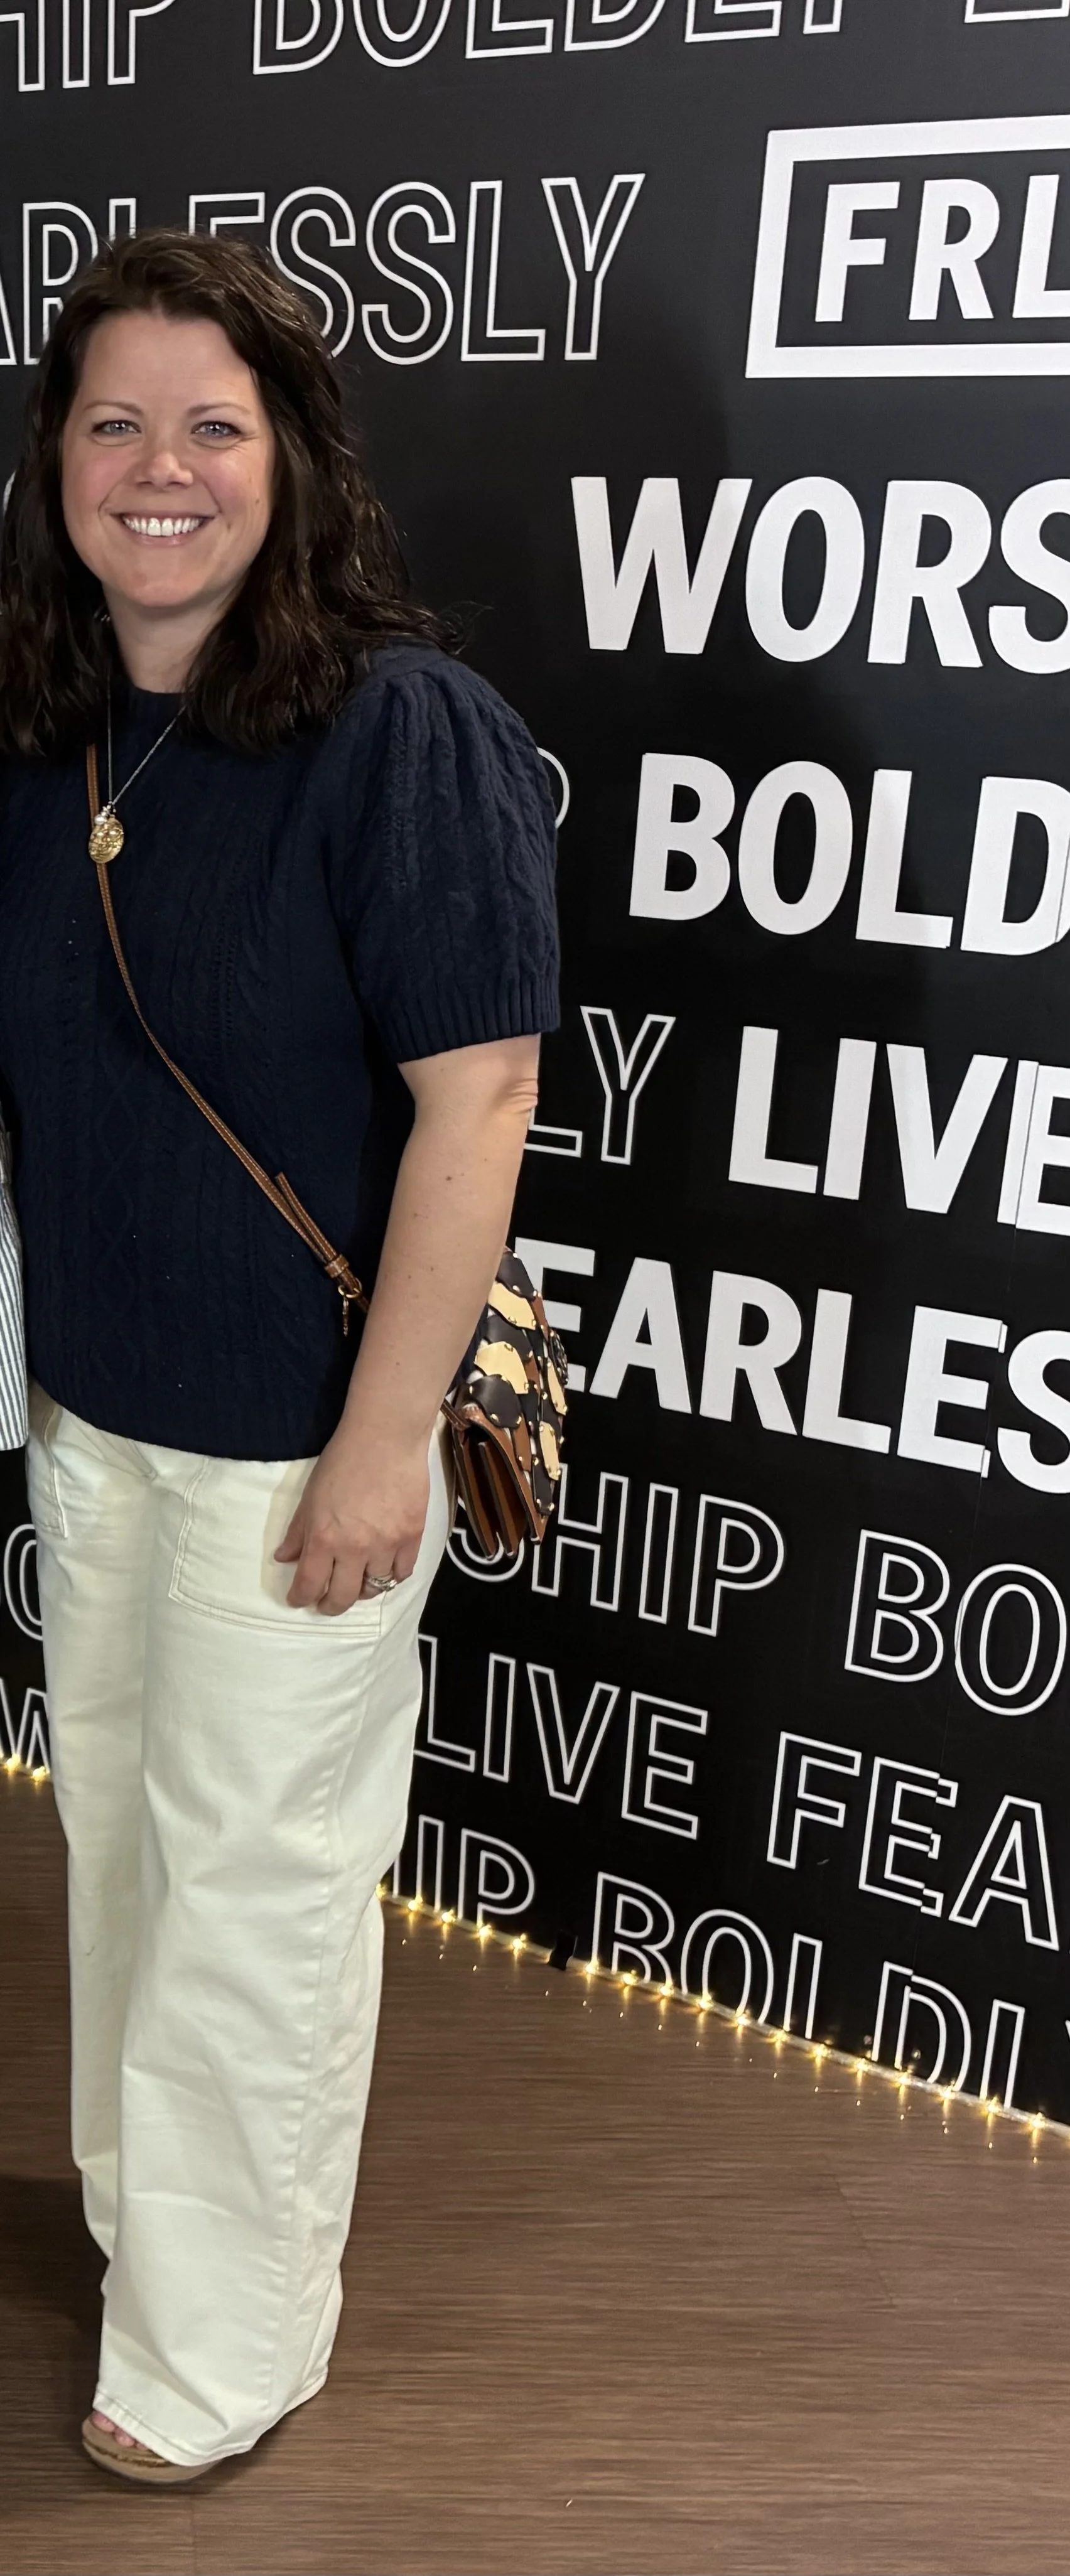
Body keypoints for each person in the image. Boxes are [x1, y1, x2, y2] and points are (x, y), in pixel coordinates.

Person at [0, 227, 559, 2484]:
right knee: (129, 1855)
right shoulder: (45, 730)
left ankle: (225, 2344)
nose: (160, 468)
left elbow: (481, 1099)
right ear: (55, 459)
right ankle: (163, 2230)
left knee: (258, 1887)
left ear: (290, 462)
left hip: (298, 1446)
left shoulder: (395, 725)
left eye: (209, 426)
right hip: (99, 1420)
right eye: (113, 420)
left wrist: (384, 1440)